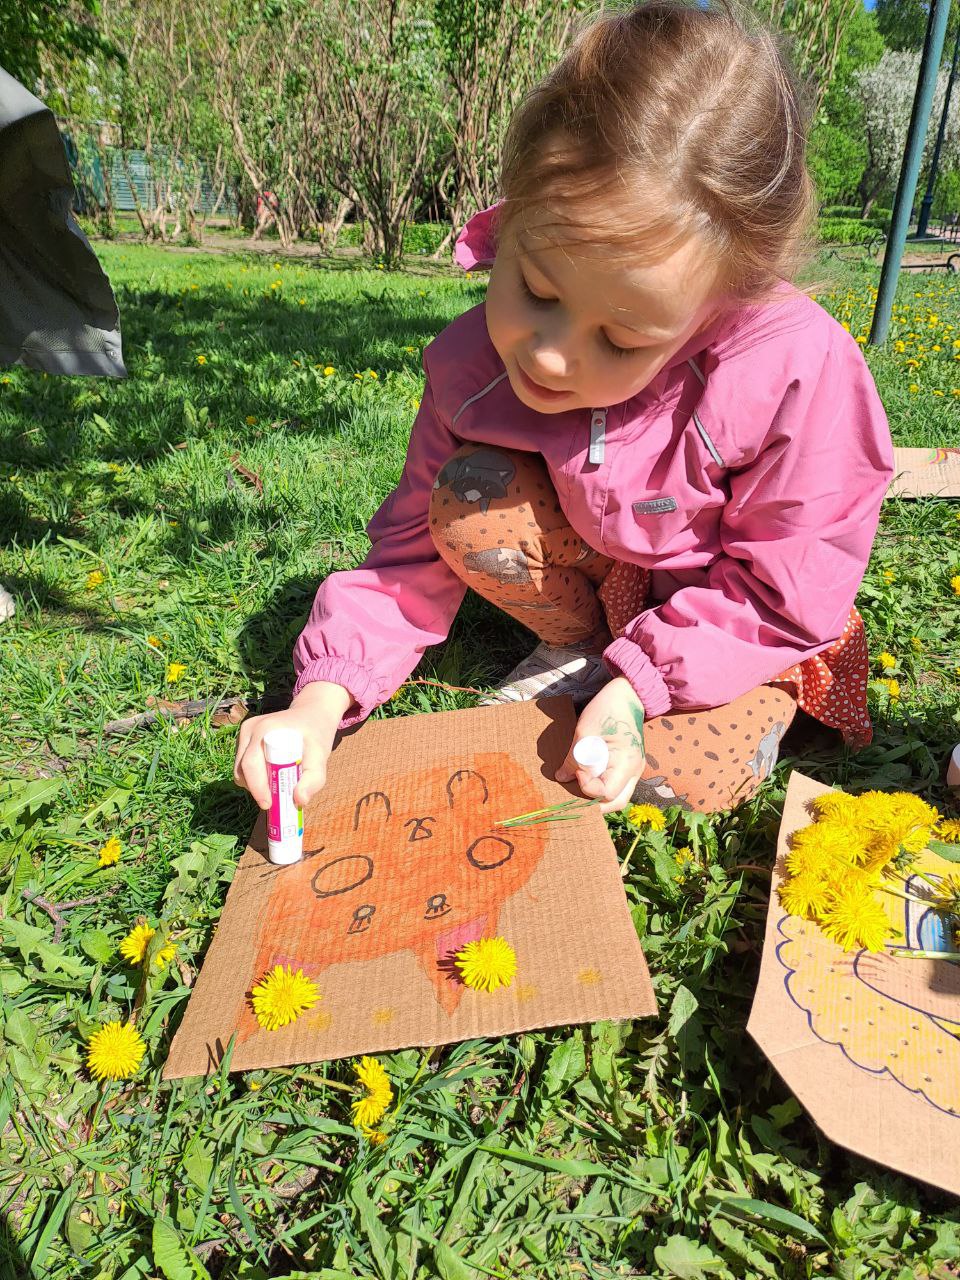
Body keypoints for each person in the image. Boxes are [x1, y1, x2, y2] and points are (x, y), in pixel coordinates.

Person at [234, 0, 893, 817]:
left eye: (621, 340)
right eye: (536, 289)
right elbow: (406, 561)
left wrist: (640, 685)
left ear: (717, 311)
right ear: (511, 217)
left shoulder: (796, 370)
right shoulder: (473, 367)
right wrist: (319, 703)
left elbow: (782, 592)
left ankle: (667, 682)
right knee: (472, 493)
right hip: (609, 574)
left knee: (670, 780)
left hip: (738, 616)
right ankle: (584, 647)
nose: (549, 355)